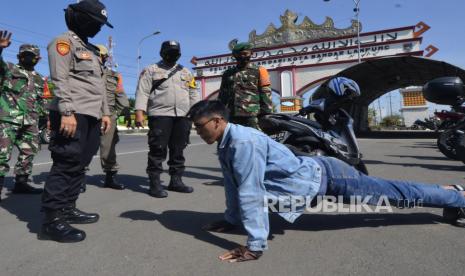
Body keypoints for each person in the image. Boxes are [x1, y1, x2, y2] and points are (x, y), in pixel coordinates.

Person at [187, 99, 465, 263]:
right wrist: (231, 219)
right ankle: (452, 195)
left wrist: (255, 246)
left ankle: (456, 195)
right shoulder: (228, 140)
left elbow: (251, 192)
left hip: (330, 176)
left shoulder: (243, 143)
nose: (197, 132)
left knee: (394, 195)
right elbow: (233, 184)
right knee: (393, 194)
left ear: (217, 121)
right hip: (317, 176)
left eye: (199, 127)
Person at [40, 0, 112, 243]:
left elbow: (99, 86)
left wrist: (105, 112)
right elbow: (58, 79)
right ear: (82, 18)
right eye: (96, 23)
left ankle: (67, 208)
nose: (99, 28)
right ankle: (52, 219)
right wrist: (67, 112)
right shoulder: (63, 42)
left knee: (80, 164)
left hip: (91, 115)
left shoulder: (91, 50)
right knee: (66, 162)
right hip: (72, 113)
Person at [135, 40, 199, 198]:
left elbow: (193, 93)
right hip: (160, 114)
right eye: (169, 51)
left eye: (175, 52)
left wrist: (196, 112)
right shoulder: (151, 70)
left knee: (179, 149)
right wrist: (139, 112)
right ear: (162, 53)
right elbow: (142, 91)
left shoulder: (186, 72)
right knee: (158, 149)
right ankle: (155, 183)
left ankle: (176, 181)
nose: (172, 55)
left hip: (183, 116)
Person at [0, 31, 48, 201]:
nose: (28, 58)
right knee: (2, 154)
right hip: (8, 119)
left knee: (29, 152)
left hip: (31, 121)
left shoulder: (41, 79)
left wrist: (47, 118)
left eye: (32, 56)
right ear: (19, 56)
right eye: (25, 55)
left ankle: (21, 183)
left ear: (38, 59)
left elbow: (43, 101)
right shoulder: (9, 69)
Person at [96, 44, 129, 190]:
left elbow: (121, 96)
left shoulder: (115, 76)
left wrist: (122, 113)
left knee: (108, 148)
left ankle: (110, 177)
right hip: (87, 114)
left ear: (105, 58)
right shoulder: (84, 73)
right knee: (81, 148)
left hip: (108, 116)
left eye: (100, 56)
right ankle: (79, 180)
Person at [218, 42, 272, 129]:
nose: (242, 56)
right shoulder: (227, 74)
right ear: (234, 56)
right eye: (239, 54)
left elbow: (266, 92)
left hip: (253, 115)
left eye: (245, 53)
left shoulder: (260, 71)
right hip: (232, 115)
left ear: (251, 53)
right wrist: (219, 113)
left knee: (255, 140)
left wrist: (266, 113)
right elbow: (222, 95)